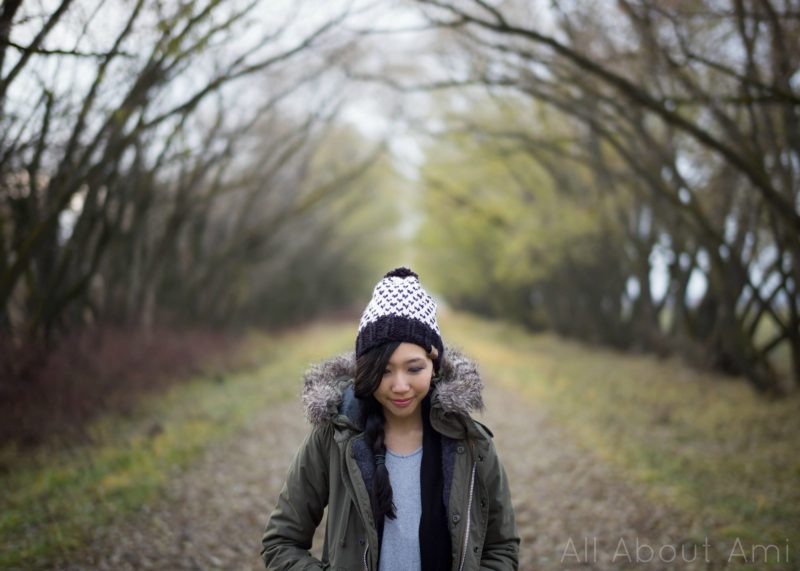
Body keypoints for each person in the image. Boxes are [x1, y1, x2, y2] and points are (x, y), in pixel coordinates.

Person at [260, 267, 519, 570]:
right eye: (384, 370)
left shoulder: (471, 443)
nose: (399, 386)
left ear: (434, 365)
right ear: (365, 370)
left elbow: (502, 548)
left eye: (414, 369)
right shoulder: (333, 436)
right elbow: (281, 541)